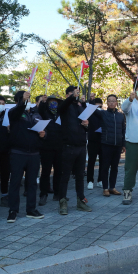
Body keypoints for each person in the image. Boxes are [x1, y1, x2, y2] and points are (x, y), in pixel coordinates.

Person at [5, 91, 46, 223]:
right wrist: (22, 102)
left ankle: (31, 209)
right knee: (15, 183)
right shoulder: (13, 112)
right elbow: (16, 112)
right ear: (18, 100)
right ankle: (13, 210)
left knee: (32, 183)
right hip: (18, 153)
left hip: (34, 154)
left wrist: (43, 135)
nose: (29, 102)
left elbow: (44, 131)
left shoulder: (36, 114)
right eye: (24, 100)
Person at [57, 86, 92, 215]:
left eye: (77, 93)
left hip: (81, 146)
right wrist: (72, 97)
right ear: (67, 95)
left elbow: (87, 125)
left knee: (80, 176)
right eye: (73, 93)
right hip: (68, 146)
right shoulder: (64, 106)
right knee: (65, 176)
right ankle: (62, 202)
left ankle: (81, 201)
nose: (76, 95)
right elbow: (60, 109)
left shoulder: (80, 106)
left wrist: (87, 124)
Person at [92, 94, 126, 197]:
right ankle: (105, 188)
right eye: (109, 101)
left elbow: (123, 131)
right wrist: (91, 100)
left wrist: (123, 144)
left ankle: (112, 187)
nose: (111, 102)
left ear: (116, 102)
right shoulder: (103, 114)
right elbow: (91, 110)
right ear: (107, 103)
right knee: (105, 167)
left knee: (115, 168)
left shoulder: (121, 115)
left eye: (113, 101)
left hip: (117, 145)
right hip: (106, 144)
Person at [37, 95, 63, 205]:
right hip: (46, 147)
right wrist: (42, 102)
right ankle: (43, 194)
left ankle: (58, 193)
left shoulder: (60, 114)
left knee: (58, 171)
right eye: (51, 102)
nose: (53, 104)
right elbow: (40, 110)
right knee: (46, 172)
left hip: (59, 146)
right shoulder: (44, 113)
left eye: (55, 102)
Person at [86, 98, 103, 190]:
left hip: (102, 141)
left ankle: (100, 180)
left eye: (100, 106)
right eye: (97, 106)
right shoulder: (90, 114)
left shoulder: (103, 114)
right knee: (91, 162)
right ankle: (90, 180)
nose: (98, 108)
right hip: (92, 140)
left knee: (102, 162)